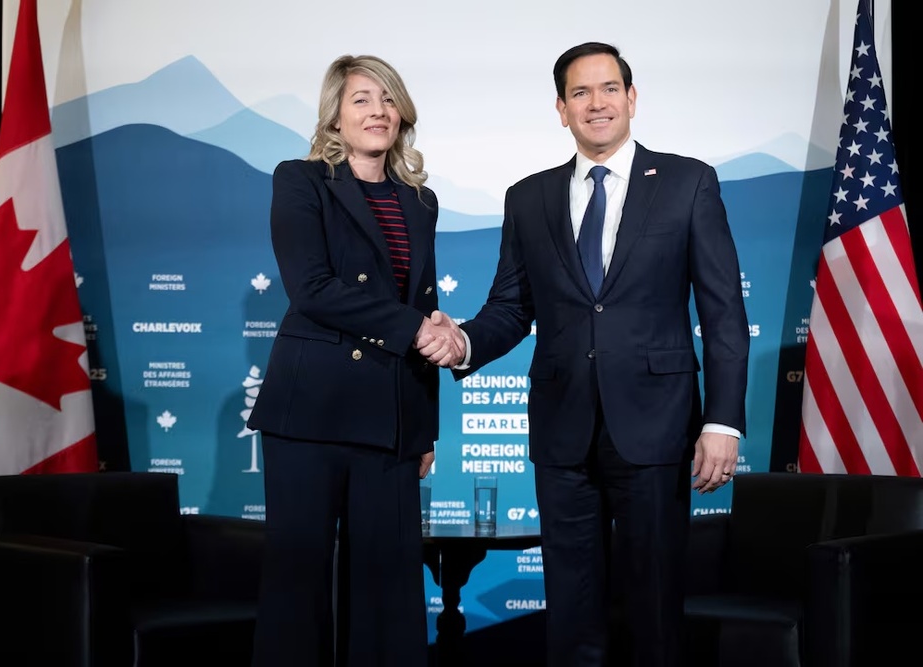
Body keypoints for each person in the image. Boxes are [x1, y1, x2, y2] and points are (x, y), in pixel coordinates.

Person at [419, 41, 749, 666]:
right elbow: (512, 308)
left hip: (657, 426)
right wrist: (462, 341)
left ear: (631, 98)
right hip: (562, 430)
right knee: (571, 610)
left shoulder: (687, 182)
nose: (595, 103)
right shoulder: (529, 197)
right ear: (561, 109)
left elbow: (724, 312)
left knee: (653, 605)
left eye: (607, 89)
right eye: (580, 93)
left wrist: (722, 421)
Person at [246, 54, 461, 667]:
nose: (378, 111)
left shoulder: (420, 200)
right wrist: (418, 328)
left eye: (388, 99)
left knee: (391, 588)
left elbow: (423, 300)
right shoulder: (300, 179)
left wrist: (424, 426)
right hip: (312, 410)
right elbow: (311, 288)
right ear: (335, 117)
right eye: (362, 98)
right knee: (298, 584)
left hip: (391, 420)